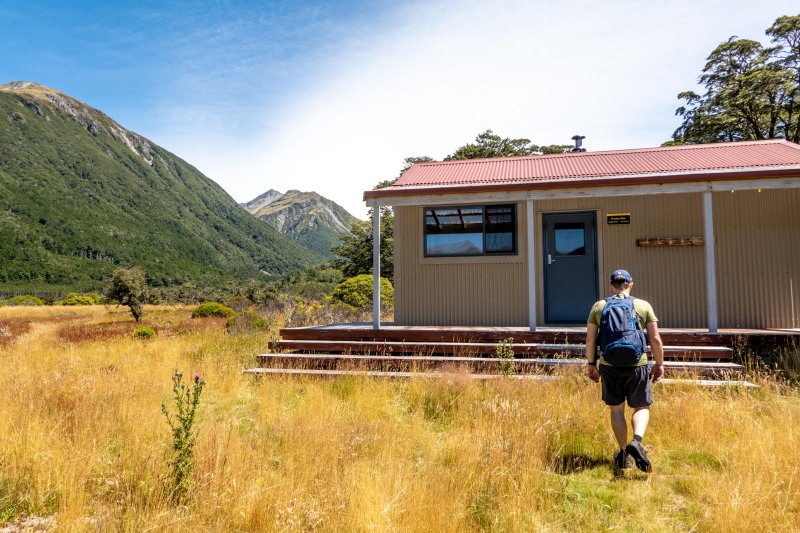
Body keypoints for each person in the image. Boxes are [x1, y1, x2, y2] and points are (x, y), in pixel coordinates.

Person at [585, 269, 664, 473]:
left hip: (609, 365)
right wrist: (659, 363)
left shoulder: (599, 306)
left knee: (617, 409)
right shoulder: (643, 305)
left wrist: (591, 364)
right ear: (630, 284)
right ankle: (636, 441)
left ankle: (623, 453)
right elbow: (655, 339)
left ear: (612, 286)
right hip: (637, 364)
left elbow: (590, 339)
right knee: (641, 406)